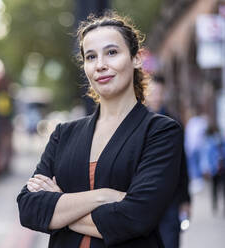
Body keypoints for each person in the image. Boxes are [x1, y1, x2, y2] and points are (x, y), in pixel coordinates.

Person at [17, 12, 183, 248]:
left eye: (112, 52)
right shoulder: (63, 134)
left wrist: (58, 205)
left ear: (136, 58)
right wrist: (104, 196)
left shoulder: (160, 131)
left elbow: (134, 218)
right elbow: (29, 208)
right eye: (91, 56)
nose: (101, 65)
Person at [146, 75, 191, 248]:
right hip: (144, 200)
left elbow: (182, 163)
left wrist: (186, 200)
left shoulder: (174, 122)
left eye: (159, 91)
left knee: (170, 242)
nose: (156, 95)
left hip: (170, 200)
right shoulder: (136, 123)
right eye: (152, 91)